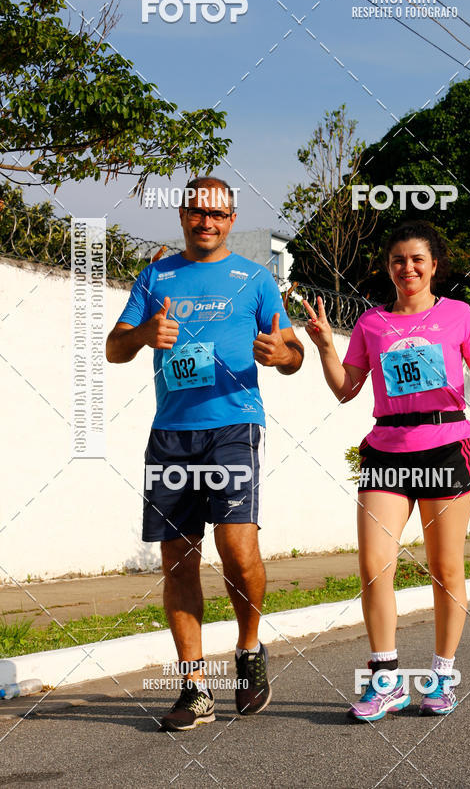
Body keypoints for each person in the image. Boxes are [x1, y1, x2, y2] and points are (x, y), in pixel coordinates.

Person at [106, 176, 304, 731]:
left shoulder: (256, 279)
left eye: (218, 215)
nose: (207, 222)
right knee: (179, 560)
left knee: (238, 550)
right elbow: (113, 348)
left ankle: (248, 651)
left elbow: (294, 354)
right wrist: (145, 332)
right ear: (184, 215)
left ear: (231, 220)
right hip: (171, 433)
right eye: (197, 212)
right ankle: (194, 688)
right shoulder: (156, 276)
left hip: (232, 426)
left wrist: (279, 355)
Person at [303, 221, 470, 723]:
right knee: (373, 565)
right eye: (397, 260)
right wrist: (326, 343)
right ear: (388, 268)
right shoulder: (371, 324)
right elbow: (346, 389)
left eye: (417, 260)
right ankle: (386, 681)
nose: (407, 268)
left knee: (445, 568)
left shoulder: (458, 315)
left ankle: (441, 676)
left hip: (446, 446)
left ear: (434, 266)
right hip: (387, 450)